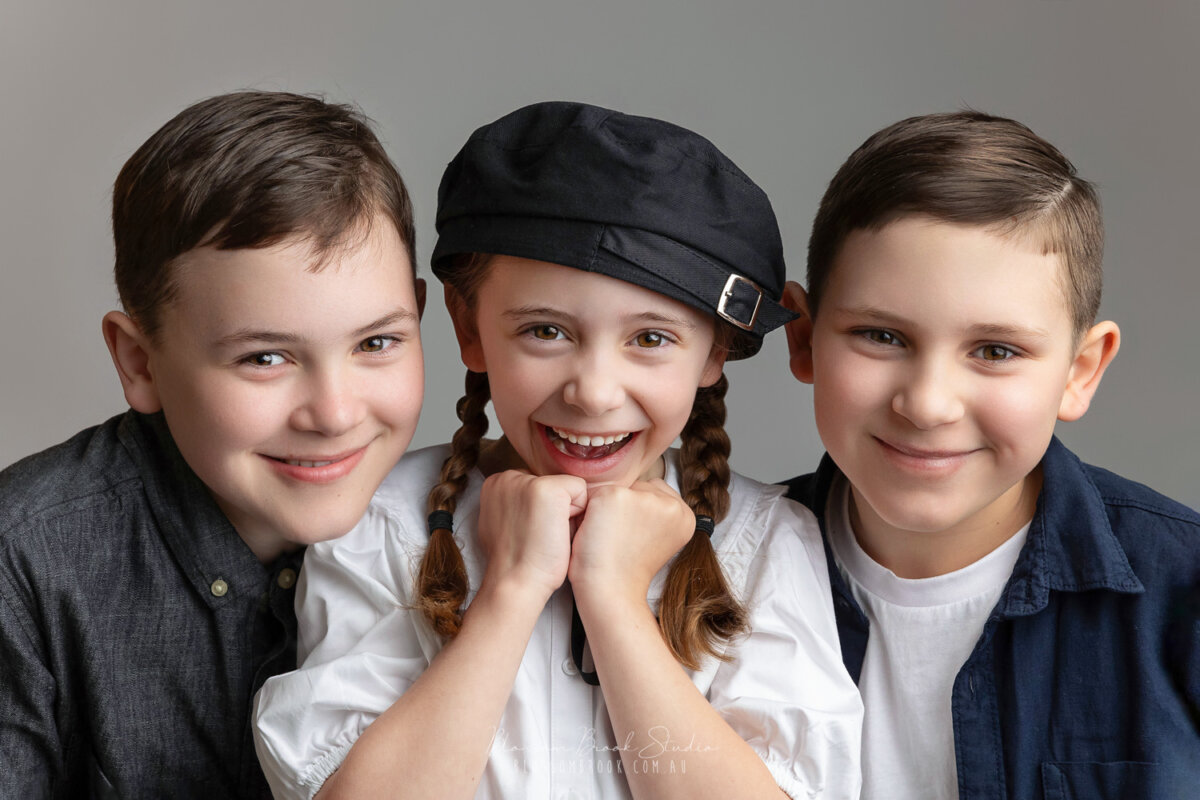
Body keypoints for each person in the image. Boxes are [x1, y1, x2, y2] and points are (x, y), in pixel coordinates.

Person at [254, 101, 863, 800]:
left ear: (715, 351)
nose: (594, 393)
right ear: (468, 326)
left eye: (651, 339)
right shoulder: (381, 527)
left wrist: (612, 598)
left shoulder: (763, 549)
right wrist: (510, 592)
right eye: (546, 332)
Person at [0, 90, 426, 799]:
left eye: (377, 342)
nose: (335, 412)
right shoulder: (24, 569)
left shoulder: (464, 536)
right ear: (140, 362)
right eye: (265, 358)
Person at [780, 110, 1200, 799]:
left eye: (996, 351)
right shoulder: (710, 578)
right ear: (804, 340)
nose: (928, 403)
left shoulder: (1183, 592)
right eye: (882, 336)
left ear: (1080, 371)